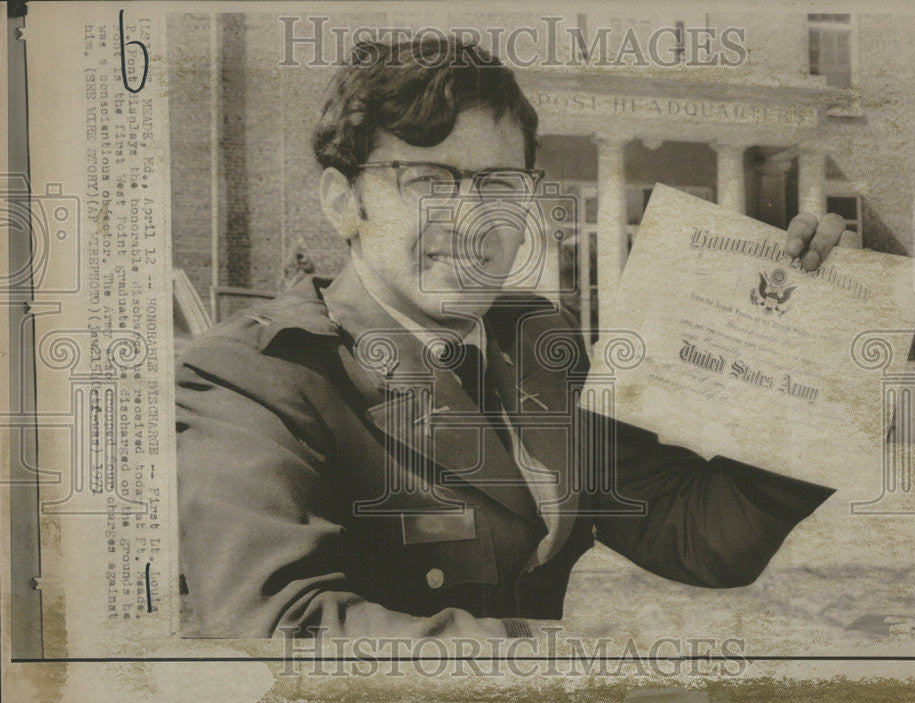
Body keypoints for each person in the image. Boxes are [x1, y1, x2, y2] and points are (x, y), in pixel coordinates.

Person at [176, 37, 856, 639]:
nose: (474, 222)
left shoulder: (541, 345)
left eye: (499, 183)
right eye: (428, 180)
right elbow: (281, 624)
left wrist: (808, 356)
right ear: (343, 201)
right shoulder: (253, 375)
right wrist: (540, 659)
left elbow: (698, 532)